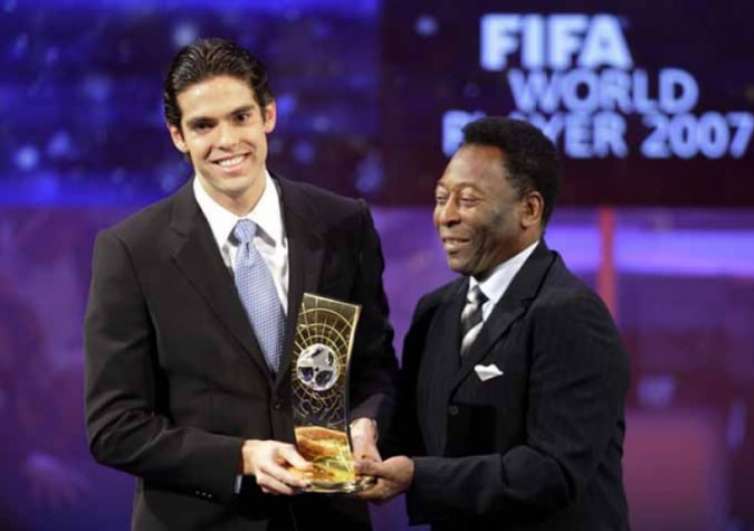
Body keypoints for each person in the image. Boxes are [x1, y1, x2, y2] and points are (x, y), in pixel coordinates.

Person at [84, 37, 397, 531]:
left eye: (240, 117)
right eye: (203, 126)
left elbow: (375, 367)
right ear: (177, 136)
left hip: (328, 519)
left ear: (268, 115)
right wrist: (243, 457)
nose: (227, 140)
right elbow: (115, 428)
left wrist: (366, 422)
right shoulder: (131, 251)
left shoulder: (343, 224)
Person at [356, 117, 630, 530]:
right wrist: (359, 440)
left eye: (466, 201)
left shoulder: (571, 314)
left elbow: (552, 471)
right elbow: (409, 437)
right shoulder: (435, 311)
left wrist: (417, 475)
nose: (444, 217)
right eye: (440, 197)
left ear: (529, 209)